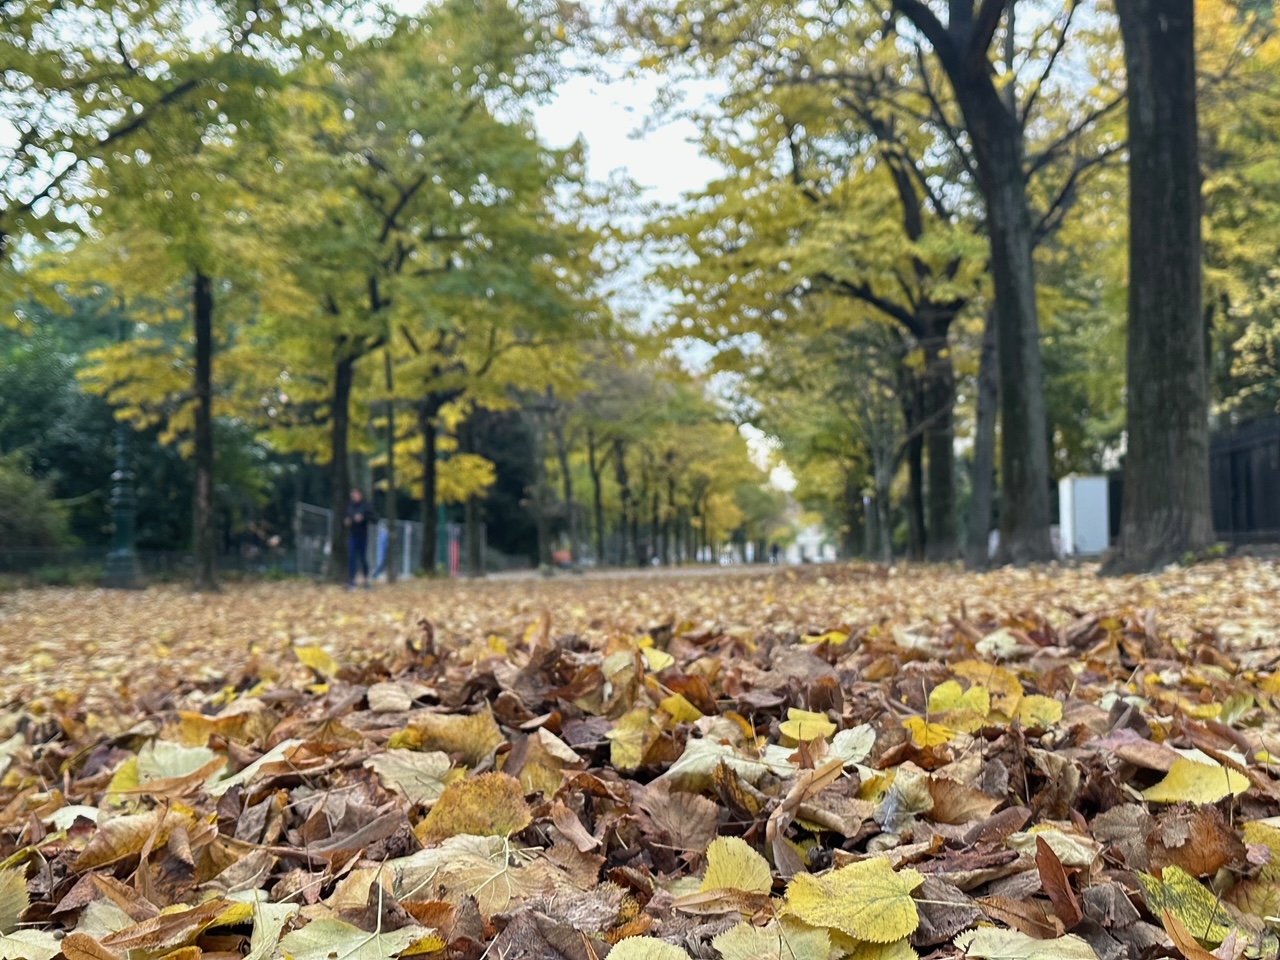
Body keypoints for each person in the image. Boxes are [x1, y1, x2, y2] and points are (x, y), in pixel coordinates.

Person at [345, 487, 376, 590]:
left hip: (363, 536)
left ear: (360, 495)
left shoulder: (366, 506)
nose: (354, 496)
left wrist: (363, 518)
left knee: (363, 559)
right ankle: (352, 581)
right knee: (352, 558)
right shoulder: (350, 507)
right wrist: (347, 522)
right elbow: (346, 519)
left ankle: (366, 581)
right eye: (352, 494)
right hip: (352, 536)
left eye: (356, 494)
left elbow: (374, 518)